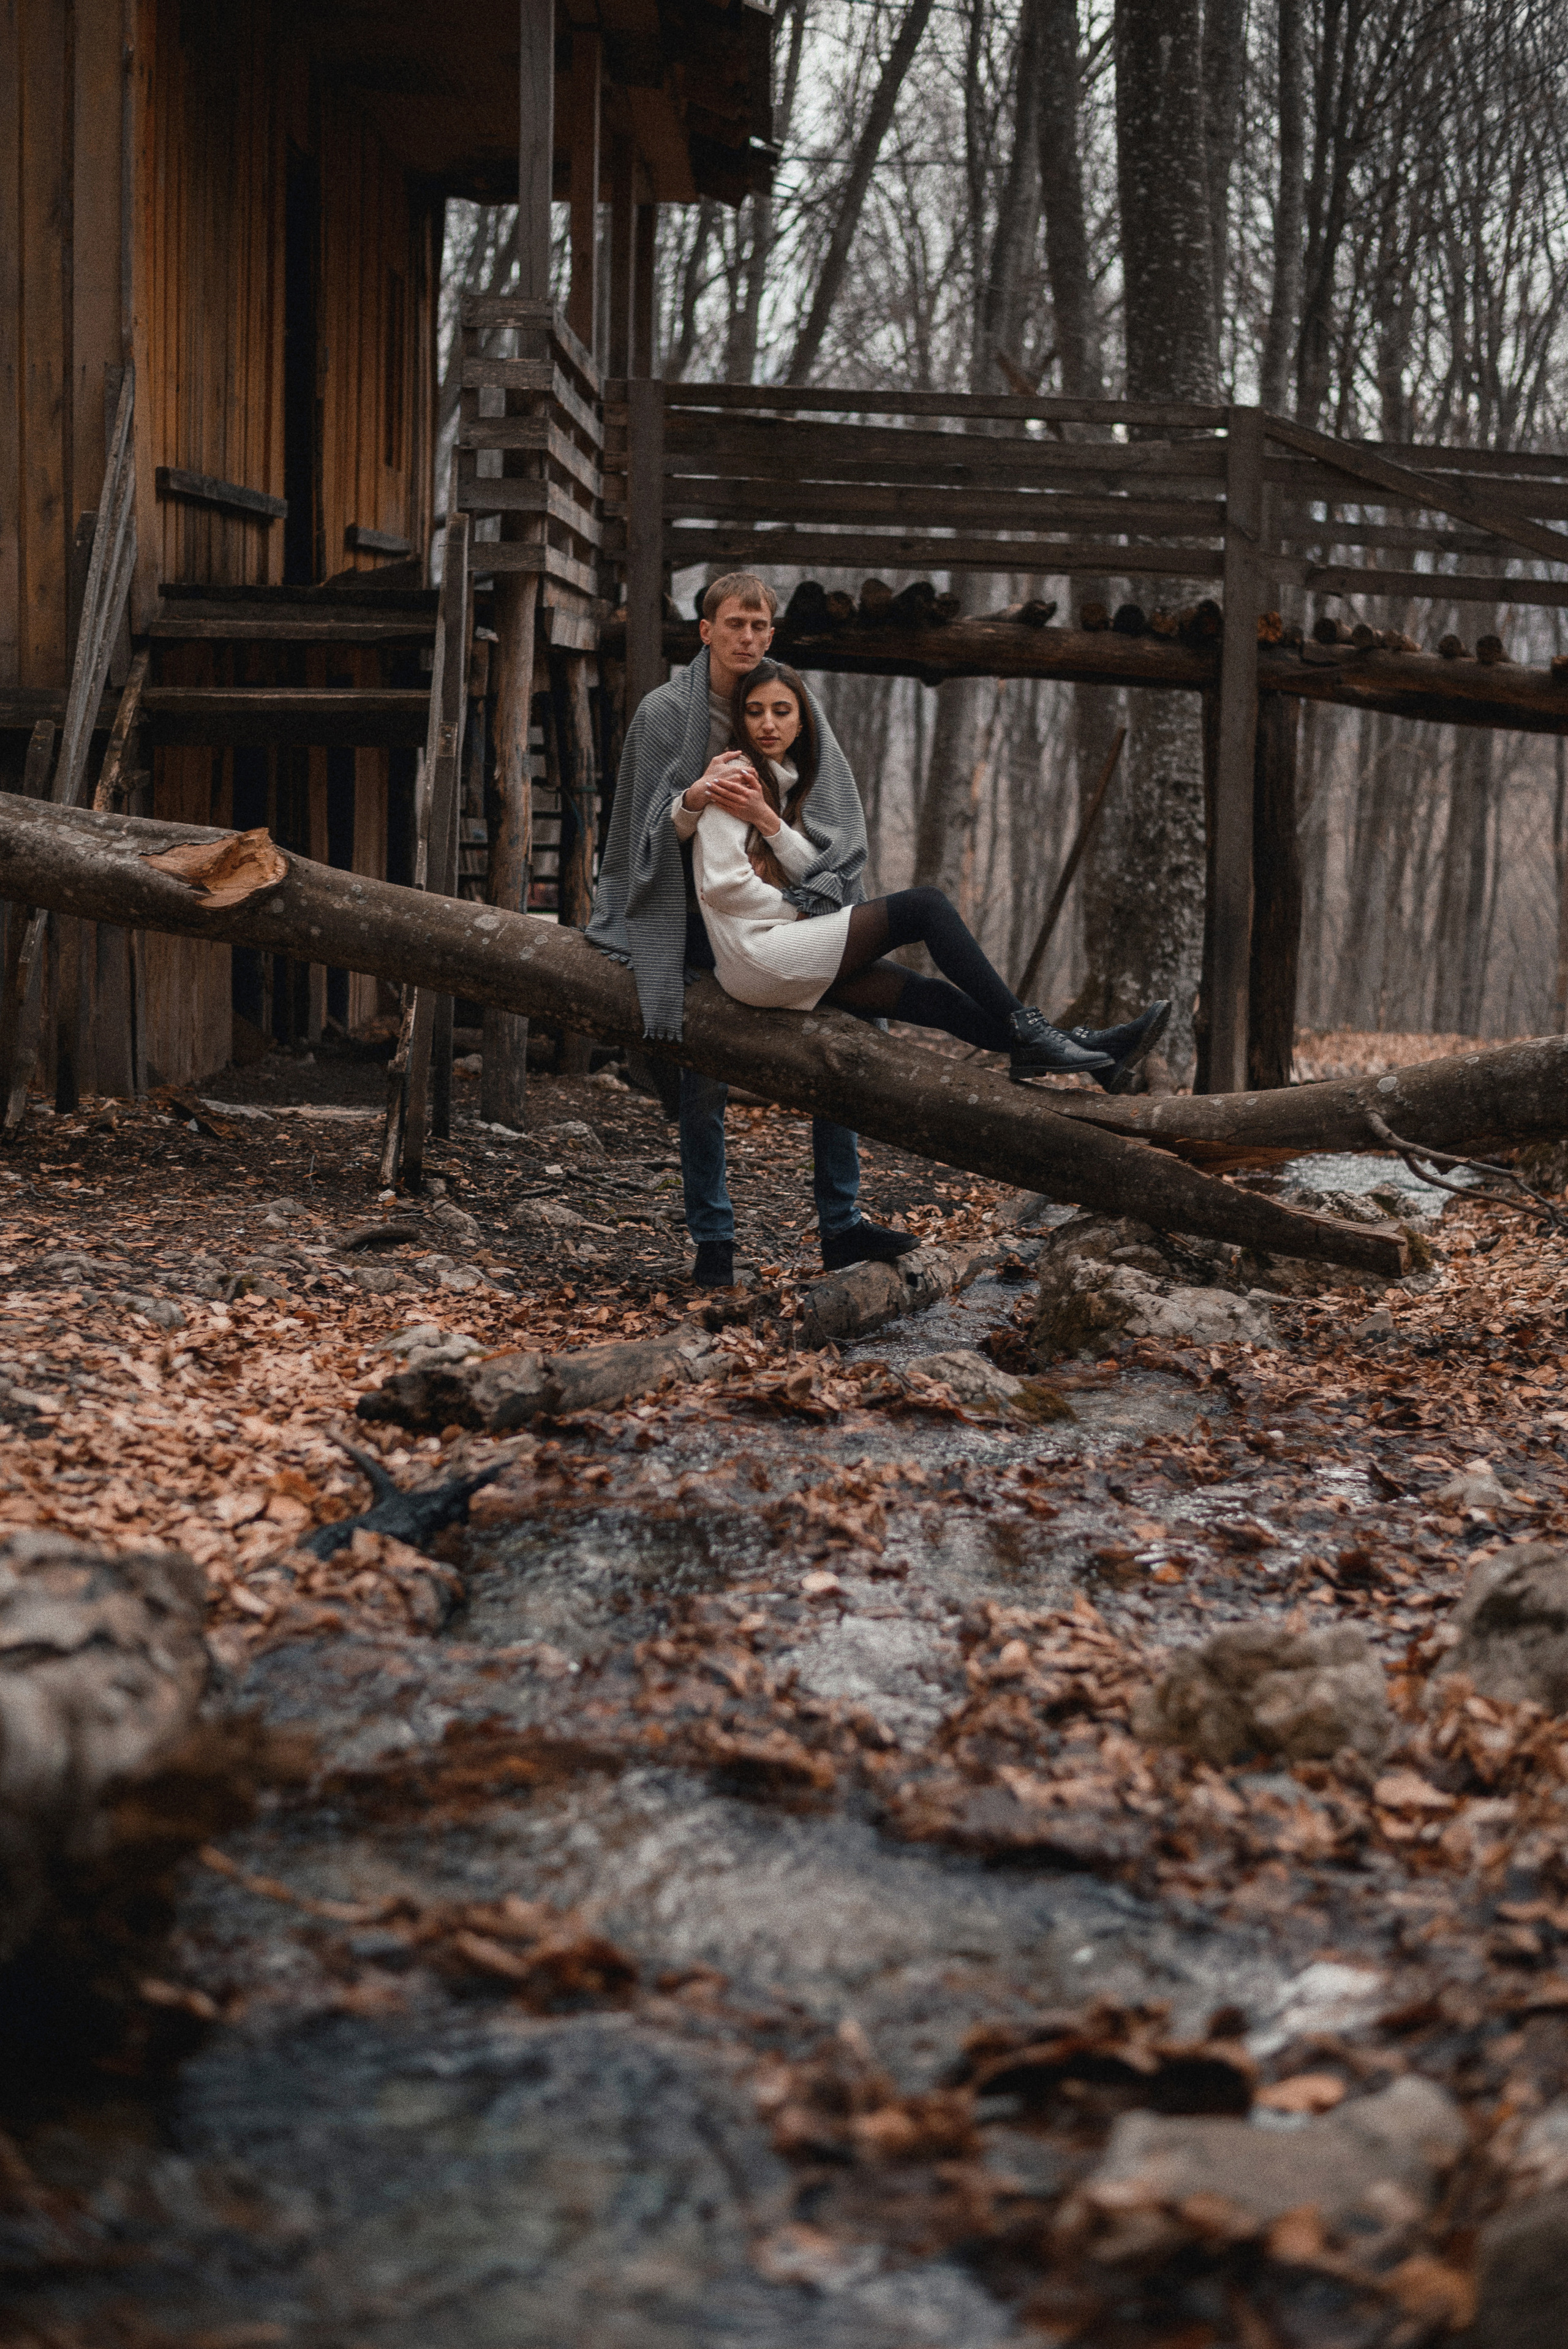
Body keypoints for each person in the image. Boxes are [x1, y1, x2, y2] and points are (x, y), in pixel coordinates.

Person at [586, 572, 916, 1290]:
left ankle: (842, 1223)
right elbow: (635, 829)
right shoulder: (664, 712)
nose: (747, 638)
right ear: (706, 631)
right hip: (689, 920)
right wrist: (691, 798)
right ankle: (713, 1243)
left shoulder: (786, 703)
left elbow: (831, 817)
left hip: (785, 910)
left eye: (759, 626)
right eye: (734, 624)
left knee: (849, 1043)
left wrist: (806, 892)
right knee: (702, 1081)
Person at [676, 658, 1170, 1085]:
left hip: (783, 949)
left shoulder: (787, 790)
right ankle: (1034, 1030)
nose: (768, 723)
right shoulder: (729, 785)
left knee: (931, 999)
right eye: (754, 711)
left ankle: (1098, 1058)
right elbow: (723, 890)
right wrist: (801, 910)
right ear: (739, 720)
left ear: (803, 722)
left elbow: (814, 873)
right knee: (925, 907)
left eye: (781, 711)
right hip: (755, 955)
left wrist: (771, 825)